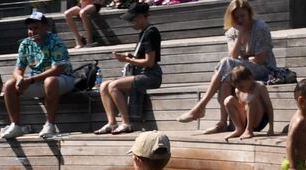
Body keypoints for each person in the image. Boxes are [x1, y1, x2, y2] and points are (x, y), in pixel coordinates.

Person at [178, 0, 276, 135]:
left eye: (243, 16)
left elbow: (260, 58)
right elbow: (234, 56)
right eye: (237, 17)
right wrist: (240, 33)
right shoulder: (232, 32)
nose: (240, 20)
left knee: (226, 64)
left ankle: (200, 107)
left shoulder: (260, 27)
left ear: (249, 14)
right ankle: (222, 122)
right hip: (242, 69)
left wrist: (244, 59)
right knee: (226, 77)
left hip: (264, 69)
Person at [0, 12, 77, 140]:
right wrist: (20, 79)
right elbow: (18, 69)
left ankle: (50, 124)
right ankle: (15, 125)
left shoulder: (55, 41)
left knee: (50, 81)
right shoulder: (25, 44)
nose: (32, 31)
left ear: (45, 27)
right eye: (30, 28)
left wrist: (30, 80)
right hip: (36, 81)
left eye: (36, 28)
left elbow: (58, 69)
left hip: (63, 79)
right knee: (9, 85)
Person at [95, 3, 162, 136]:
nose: (131, 23)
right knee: (104, 86)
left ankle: (126, 123)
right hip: (142, 73)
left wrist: (127, 60)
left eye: (133, 19)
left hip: (151, 75)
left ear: (143, 17)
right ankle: (111, 123)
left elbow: (149, 62)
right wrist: (130, 57)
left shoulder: (151, 33)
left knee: (114, 86)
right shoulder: (144, 33)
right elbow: (142, 58)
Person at [222, 64, 274, 140]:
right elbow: (242, 107)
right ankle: (239, 129)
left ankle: (249, 130)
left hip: (258, 120)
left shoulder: (260, 87)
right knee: (228, 100)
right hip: (245, 118)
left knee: (251, 99)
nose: (240, 89)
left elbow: (269, 106)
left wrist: (271, 128)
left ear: (250, 78)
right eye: (237, 87)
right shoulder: (238, 90)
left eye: (241, 86)